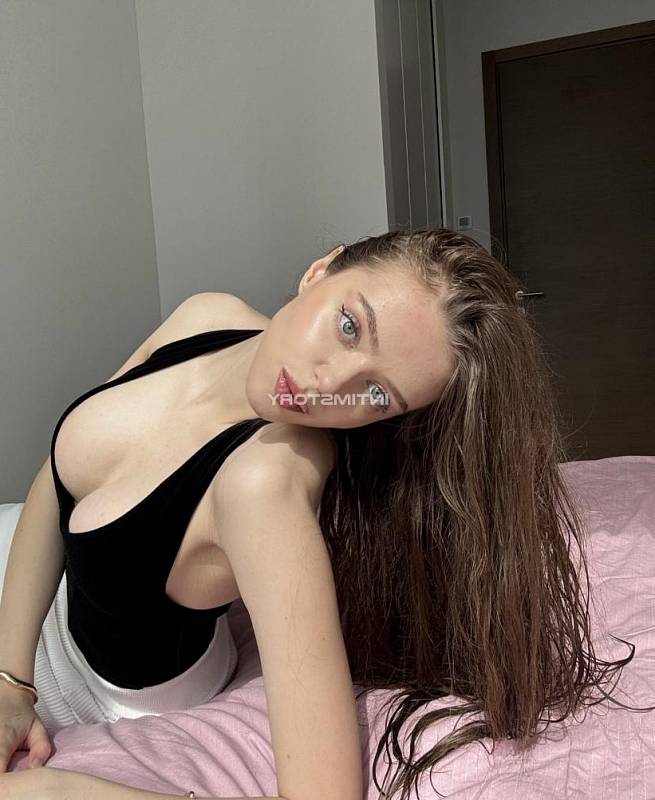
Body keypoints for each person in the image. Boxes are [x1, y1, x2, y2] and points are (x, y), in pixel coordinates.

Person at [0, 227, 646, 800]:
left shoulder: (265, 482)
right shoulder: (205, 316)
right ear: (321, 270)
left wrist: (68, 788)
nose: (327, 385)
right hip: (38, 605)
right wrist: (9, 678)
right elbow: (59, 477)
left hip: (94, 691)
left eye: (376, 393)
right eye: (348, 326)